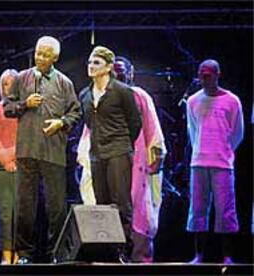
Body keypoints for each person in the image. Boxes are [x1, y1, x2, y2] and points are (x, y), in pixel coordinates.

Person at [4, 36, 81, 264]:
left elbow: (75, 112)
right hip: (27, 150)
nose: (40, 58)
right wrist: (24, 104)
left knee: (56, 207)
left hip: (53, 152)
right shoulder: (21, 78)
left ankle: (56, 253)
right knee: (25, 206)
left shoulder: (64, 82)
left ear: (55, 58)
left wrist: (61, 122)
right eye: (38, 53)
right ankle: (25, 254)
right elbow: (7, 107)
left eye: (46, 55)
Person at [78, 46, 142, 262]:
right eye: (89, 62)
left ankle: (124, 250)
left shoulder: (122, 91)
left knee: (121, 202)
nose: (91, 66)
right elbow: (89, 123)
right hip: (97, 154)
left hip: (118, 152)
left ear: (108, 67)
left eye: (96, 62)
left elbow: (135, 122)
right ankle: (107, 251)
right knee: (102, 203)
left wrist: (122, 144)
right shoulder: (85, 94)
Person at [186, 59, 244, 264]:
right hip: (199, 162)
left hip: (222, 164)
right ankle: (198, 255)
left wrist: (224, 150)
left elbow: (238, 132)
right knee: (198, 209)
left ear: (217, 75)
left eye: (208, 75)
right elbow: (192, 130)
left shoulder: (232, 101)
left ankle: (227, 255)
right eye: (202, 75)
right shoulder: (193, 101)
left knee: (225, 210)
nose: (204, 79)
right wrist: (201, 150)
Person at [114, 56, 166, 262]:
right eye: (114, 71)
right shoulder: (103, 96)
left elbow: (154, 132)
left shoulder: (140, 96)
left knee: (139, 211)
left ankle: (140, 260)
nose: (119, 75)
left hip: (138, 166)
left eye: (121, 70)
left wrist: (157, 159)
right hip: (113, 163)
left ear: (131, 72)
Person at [0, 69, 19, 264]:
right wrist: (5, 159)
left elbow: (27, 136)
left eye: (13, 83)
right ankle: (6, 253)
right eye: (5, 83)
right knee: (5, 211)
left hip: (21, 164)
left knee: (20, 211)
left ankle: (19, 252)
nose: (9, 87)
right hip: (0, 165)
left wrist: (14, 156)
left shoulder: (25, 108)